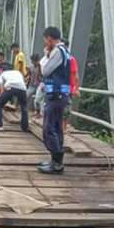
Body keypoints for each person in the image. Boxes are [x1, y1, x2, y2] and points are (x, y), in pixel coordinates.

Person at [38, 27, 71, 174]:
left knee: (49, 128)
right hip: (59, 95)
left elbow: (45, 70)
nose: (45, 43)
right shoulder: (64, 51)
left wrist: (45, 55)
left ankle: (57, 164)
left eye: (46, 40)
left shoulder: (57, 51)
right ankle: (55, 161)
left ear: (50, 39)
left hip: (55, 96)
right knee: (56, 128)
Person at [0, 63, 29, 132]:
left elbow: (2, 89)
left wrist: (2, 98)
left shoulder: (2, 74)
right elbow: (22, 81)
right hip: (22, 88)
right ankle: (25, 127)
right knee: (24, 107)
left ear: (2, 70)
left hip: (10, 87)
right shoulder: (18, 72)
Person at [62, 39, 80, 132]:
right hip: (59, 88)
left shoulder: (71, 59)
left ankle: (64, 128)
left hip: (67, 88)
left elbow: (76, 75)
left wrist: (76, 89)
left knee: (66, 109)